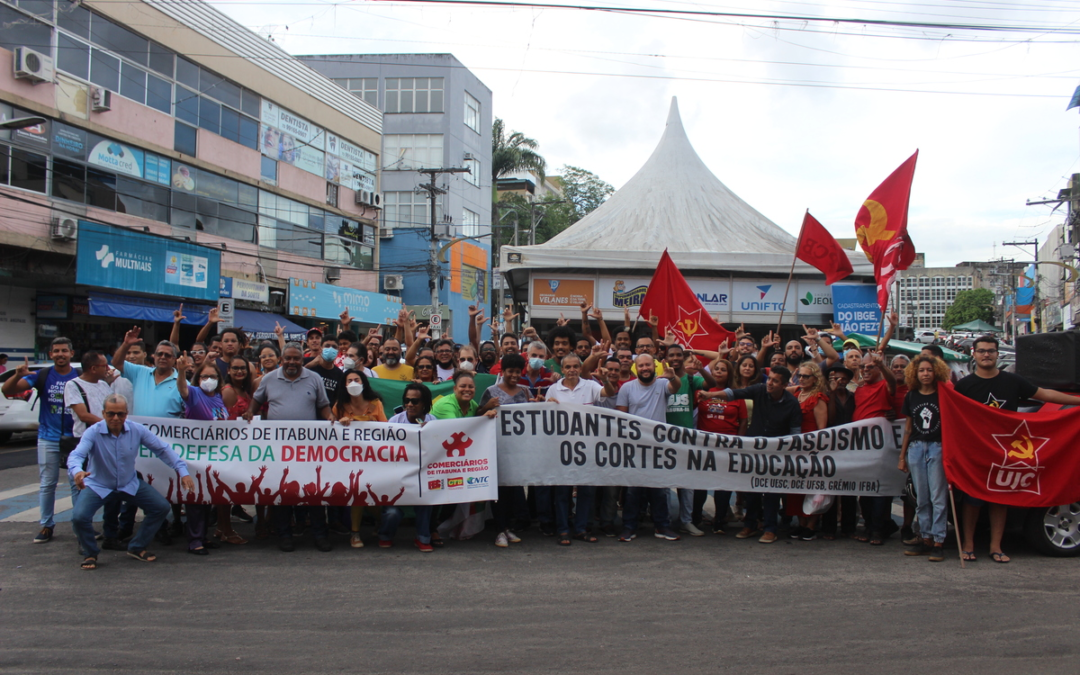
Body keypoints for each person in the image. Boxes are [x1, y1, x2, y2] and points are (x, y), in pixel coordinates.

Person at [954, 334, 1080, 563]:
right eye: (981, 351)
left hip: (1006, 451)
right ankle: (968, 544)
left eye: (990, 351)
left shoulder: (1013, 381)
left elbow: (1046, 395)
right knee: (972, 499)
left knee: (999, 499)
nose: (986, 355)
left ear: (997, 354)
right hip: (976, 451)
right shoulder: (964, 385)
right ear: (974, 354)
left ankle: (996, 546)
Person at [68, 394, 193, 570]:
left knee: (161, 508)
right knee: (79, 517)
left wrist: (182, 471)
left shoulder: (136, 429)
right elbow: (77, 455)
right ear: (103, 413)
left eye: (120, 414)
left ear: (127, 413)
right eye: (111, 414)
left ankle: (137, 546)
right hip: (99, 485)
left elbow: (162, 449)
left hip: (128, 483)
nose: (116, 418)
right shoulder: (93, 432)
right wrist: (77, 471)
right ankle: (90, 553)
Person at [246, 343, 335, 552]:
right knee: (282, 491)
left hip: (308, 448)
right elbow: (256, 401)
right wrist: (250, 412)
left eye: (297, 359)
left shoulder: (314, 379)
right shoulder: (268, 379)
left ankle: (319, 535)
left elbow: (322, 405)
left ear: (302, 360)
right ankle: (284, 535)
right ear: (281, 359)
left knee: (313, 492)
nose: (292, 362)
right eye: (288, 358)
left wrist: (330, 416)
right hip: (279, 447)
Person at [2, 337, 79, 544]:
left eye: (64, 350)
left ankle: (80, 525)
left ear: (72, 354)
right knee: (47, 483)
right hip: (48, 437)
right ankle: (46, 525)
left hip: (75, 439)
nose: (60, 354)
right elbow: (8, 390)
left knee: (77, 483)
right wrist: (17, 375)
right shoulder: (41, 376)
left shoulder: (80, 375)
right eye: (56, 351)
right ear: (51, 354)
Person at [715, 366, 802, 544]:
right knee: (751, 490)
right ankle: (750, 525)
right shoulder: (759, 390)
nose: (769, 383)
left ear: (784, 385)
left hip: (777, 454)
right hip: (754, 450)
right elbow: (735, 393)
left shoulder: (792, 403)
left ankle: (770, 528)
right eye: (769, 379)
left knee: (771, 492)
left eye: (775, 381)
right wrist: (710, 396)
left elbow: (795, 433)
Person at [615, 353, 683, 543]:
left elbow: (676, 387)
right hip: (635, 447)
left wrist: (672, 376)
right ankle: (629, 527)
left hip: (658, 447)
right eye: (641, 366)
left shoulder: (662, 384)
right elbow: (622, 417)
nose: (645, 368)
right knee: (632, 490)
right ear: (635, 368)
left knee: (659, 489)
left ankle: (662, 526)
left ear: (654, 367)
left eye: (648, 365)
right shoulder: (627, 388)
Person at [546, 353, 604, 545]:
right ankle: (563, 530)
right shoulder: (553, 390)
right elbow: (546, 418)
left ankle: (580, 529)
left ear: (580, 368)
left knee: (586, 490)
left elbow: (607, 394)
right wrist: (548, 406)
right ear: (562, 369)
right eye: (568, 367)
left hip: (587, 448)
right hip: (561, 448)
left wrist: (605, 381)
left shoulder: (590, 385)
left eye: (575, 366)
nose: (572, 370)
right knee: (562, 492)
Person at [175, 354, 229, 555]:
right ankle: (194, 540)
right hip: (195, 455)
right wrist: (181, 371)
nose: (208, 380)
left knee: (208, 497)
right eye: (204, 376)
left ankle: (203, 536)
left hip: (215, 456)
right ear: (198, 379)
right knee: (195, 499)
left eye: (213, 376)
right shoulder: (195, 393)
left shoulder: (218, 397)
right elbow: (182, 390)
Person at [898, 354, 949, 563]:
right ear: (915, 374)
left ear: (935, 372)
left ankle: (938, 540)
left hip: (938, 447)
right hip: (917, 448)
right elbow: (908, 429)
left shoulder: (943, 395)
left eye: (929, 370)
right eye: (921, 371)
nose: (925, 374)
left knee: (938, 496)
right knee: (922, 497)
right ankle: (925, 536)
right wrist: (902, 456)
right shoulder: (911, 396)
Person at [63, 351, 117, 548]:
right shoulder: (73, 385)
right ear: (93, 368)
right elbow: (83, 415)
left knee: (112, 487)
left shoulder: (104, 385)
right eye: (104, 365)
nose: (108, 369)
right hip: (85, 441)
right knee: (83, 489)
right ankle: (83, 539)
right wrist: (110, 423)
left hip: (107, 442)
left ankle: (110, 533)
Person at [663, 343, 714, 537]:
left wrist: (702, 370)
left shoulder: (692, 378)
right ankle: (665, 520)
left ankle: (686, 520)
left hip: (686, 438)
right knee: (665, 483)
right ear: (666, 358)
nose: (675, 358)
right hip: (665, 438)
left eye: (678, 355)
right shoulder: (662, 380)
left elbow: (710, 385)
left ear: (683, 358)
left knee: (688, 483)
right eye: (672, 355)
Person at [478, 354, 529, 547]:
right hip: (495, 447)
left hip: (515, 450)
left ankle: (508, 527)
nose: (514, 375)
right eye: (510, 371)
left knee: (512, 490)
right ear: (503, 371)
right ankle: (499, 529)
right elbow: (478, 416)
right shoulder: (491, 391)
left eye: (517, 371)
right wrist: (487, 408)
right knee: (498, 489)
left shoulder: (524, 392)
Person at [333, 369, 387, 548]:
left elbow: (386, 429)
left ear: (363, 382)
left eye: (357, 379)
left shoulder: (375, 404)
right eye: (349, 381)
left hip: (373, 458)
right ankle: (355, 533)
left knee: (369, 495)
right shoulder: (339, 406)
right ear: (344, 385)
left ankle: (380, 519)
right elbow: (331, 430)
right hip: (349, 459)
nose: (353, 383)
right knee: (357, 492)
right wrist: (340, 422)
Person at [696, 358, 747, 534]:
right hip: (704, 444)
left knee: (723, 484)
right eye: (716, 369)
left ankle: (720, 520)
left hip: (728, 445)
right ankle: (696, 518)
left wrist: (738, 443)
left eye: (723, 369)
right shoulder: (703, 391)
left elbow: (743, 420)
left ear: (729, 373)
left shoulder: (735, 394)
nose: (718, 372)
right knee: (700, 483)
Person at [385, 384, 438, 552]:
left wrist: (428, 434)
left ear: (424, 404)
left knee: (425, 501)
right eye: (407, 400)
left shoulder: (432, 421)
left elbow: (437, 450)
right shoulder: (394, 421)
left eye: (415, 401)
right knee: (392, 513)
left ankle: (423, 537)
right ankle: (385, 535)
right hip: (396, 476)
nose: (410, 405)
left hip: (421, 477)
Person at [852, 351, 897, 546]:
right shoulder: (859, 389)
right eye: (863, 367)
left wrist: (884, 365)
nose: (866, 370)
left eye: (871, 367)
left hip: (879, 446)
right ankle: (869, 525)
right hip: (860, 445)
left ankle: (878, 528)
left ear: (879, 369)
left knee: (879, 489)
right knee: (865, 489)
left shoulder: (884, 386)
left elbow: (893, 383)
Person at [787, 361, 829, 541]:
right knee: (795, 489)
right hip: (794, 449)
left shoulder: (818, 398)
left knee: (811, 487)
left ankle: (811, 524)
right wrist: (793, 380)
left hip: (811, 449)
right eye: (800, 375)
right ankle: (800, 523)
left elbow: (822, 428)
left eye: (806, 376)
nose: (802, 379)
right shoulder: (796, 393)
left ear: (815, 379)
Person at [111, 328, 185, 419]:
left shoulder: (182, 384)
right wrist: (126, 344)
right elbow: (116, 363)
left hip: (167, 432)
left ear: (174, 359)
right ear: (154, 356)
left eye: (167, 355)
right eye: (159, 354)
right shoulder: (140, 372)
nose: (163, 357)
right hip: (139, 432)